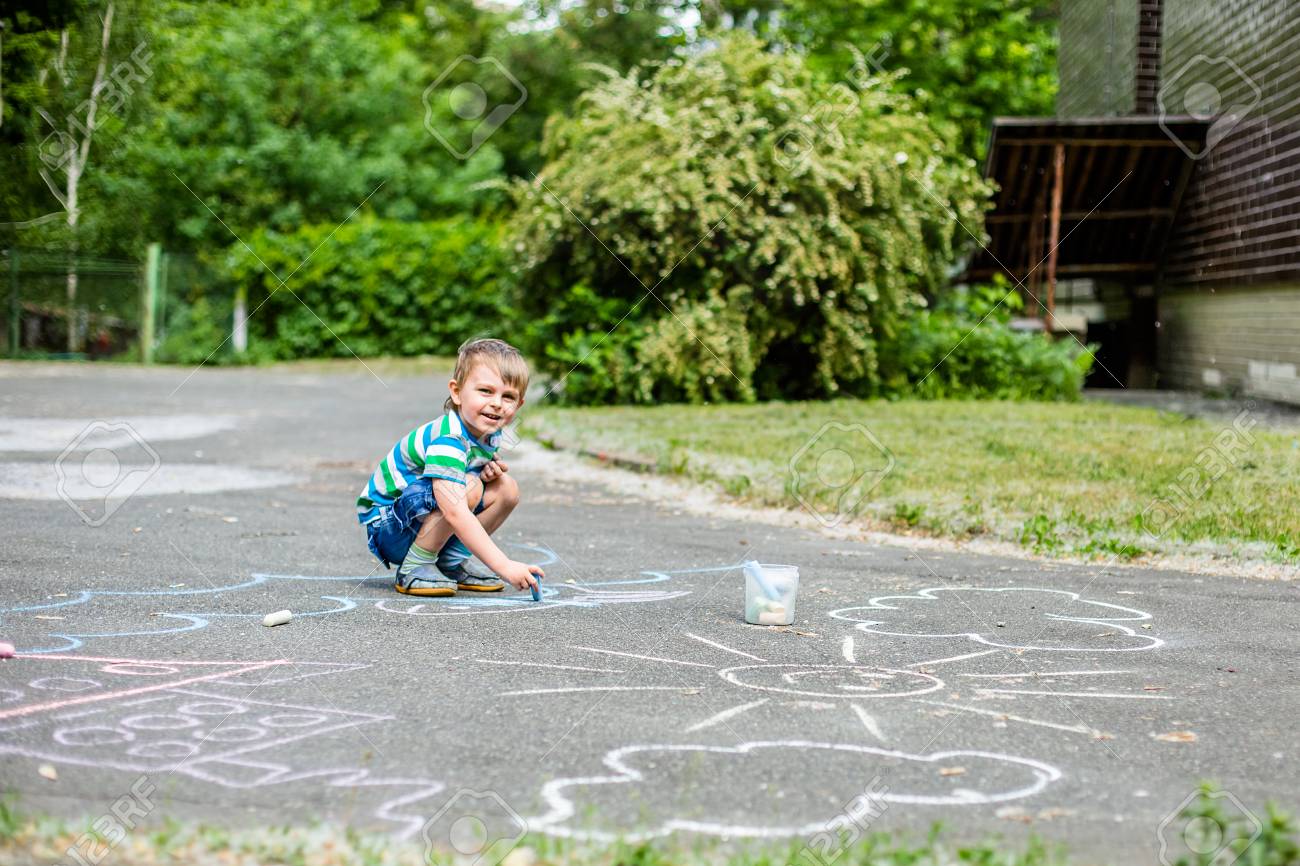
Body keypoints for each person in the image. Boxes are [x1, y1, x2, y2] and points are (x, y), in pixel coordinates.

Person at [356, 338, 544, 597]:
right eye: (486, 391)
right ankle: (415, 565)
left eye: (508, 396)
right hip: (389, 528)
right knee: (467, 488)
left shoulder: (488, 434)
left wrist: (483, 473)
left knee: (506, 488)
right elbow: (454, 509)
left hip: (418, 520)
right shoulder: (449, 438)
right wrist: (504, 566)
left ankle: (450, 561)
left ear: (519, 404)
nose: (498, 403)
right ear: (456, 392)